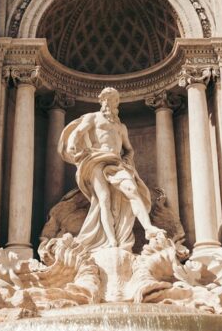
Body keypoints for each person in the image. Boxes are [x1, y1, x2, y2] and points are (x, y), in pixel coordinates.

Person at [59, 87, 161, 251]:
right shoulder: (93, 118)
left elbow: (129, 149)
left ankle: (148, 228)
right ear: (101, 101)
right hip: (96, 160)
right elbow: (78, 132)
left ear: (116, 103)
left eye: (112, 99)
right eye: (106, 99)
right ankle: (111, 241)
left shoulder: (121, 127)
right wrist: (72, 145)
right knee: (104, 199)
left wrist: (127, 160)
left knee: (132, 190)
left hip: (116, 162)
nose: (108, 103)